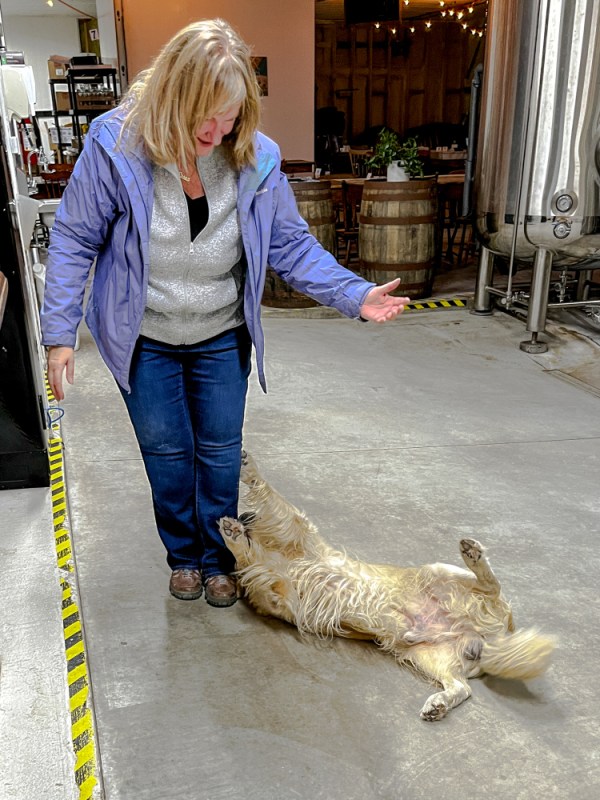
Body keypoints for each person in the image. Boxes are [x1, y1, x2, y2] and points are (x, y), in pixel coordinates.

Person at [41, 19, 410, 609]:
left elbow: (290, 245)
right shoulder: (114, 145)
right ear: (173, 101)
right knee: (167, 453)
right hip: (144, 334)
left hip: (220, 331)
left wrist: (353, 293)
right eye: (204, 120)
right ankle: (184, 557)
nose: (217, 133)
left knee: (218, 451)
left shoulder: (255, 156)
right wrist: (60, 333)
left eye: (230, 118)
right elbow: (74, 238)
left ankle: (220, 558)